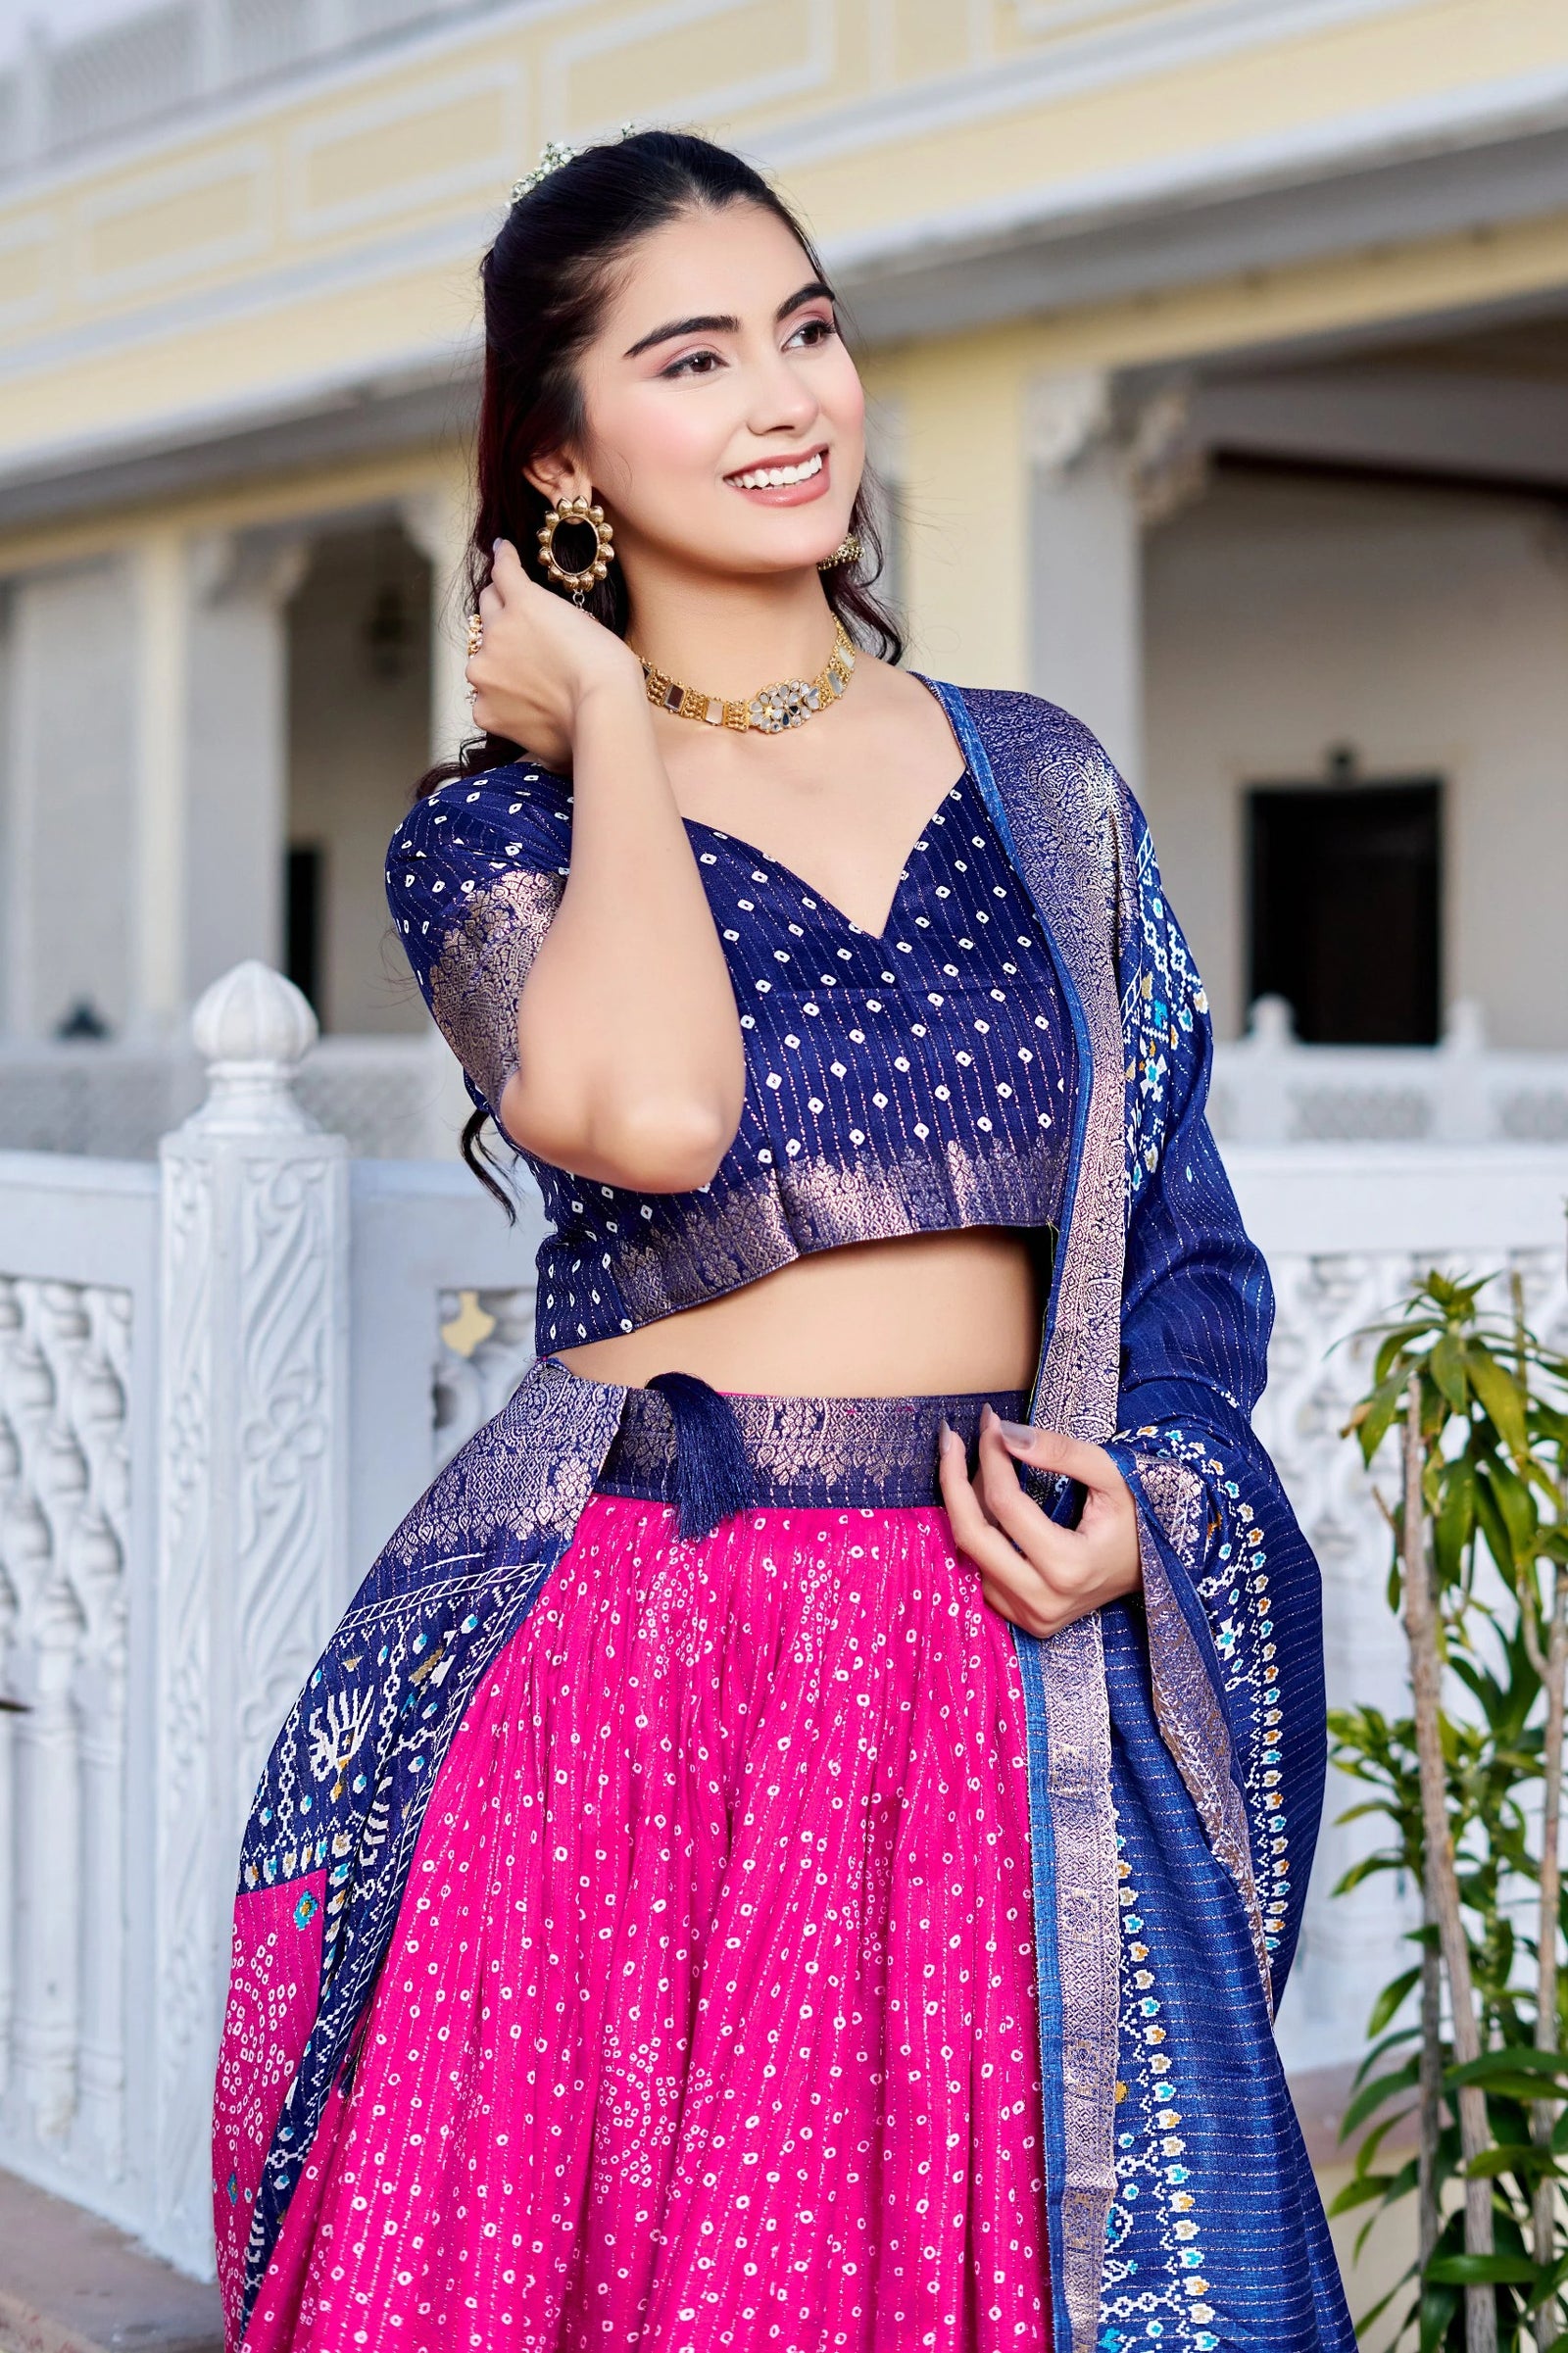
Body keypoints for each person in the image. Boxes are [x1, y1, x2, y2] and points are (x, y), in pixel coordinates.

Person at [212, 127, 1354, 2353]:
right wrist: (621, 719)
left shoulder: (1042, 785)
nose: (785, 400)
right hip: (647, 1671)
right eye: (696, 354)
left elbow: (1182, 1239)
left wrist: (1148, 1498)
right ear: (562, 455)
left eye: (809, 331)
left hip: (991, 1656)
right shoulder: (493, 838)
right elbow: (649, 1115)